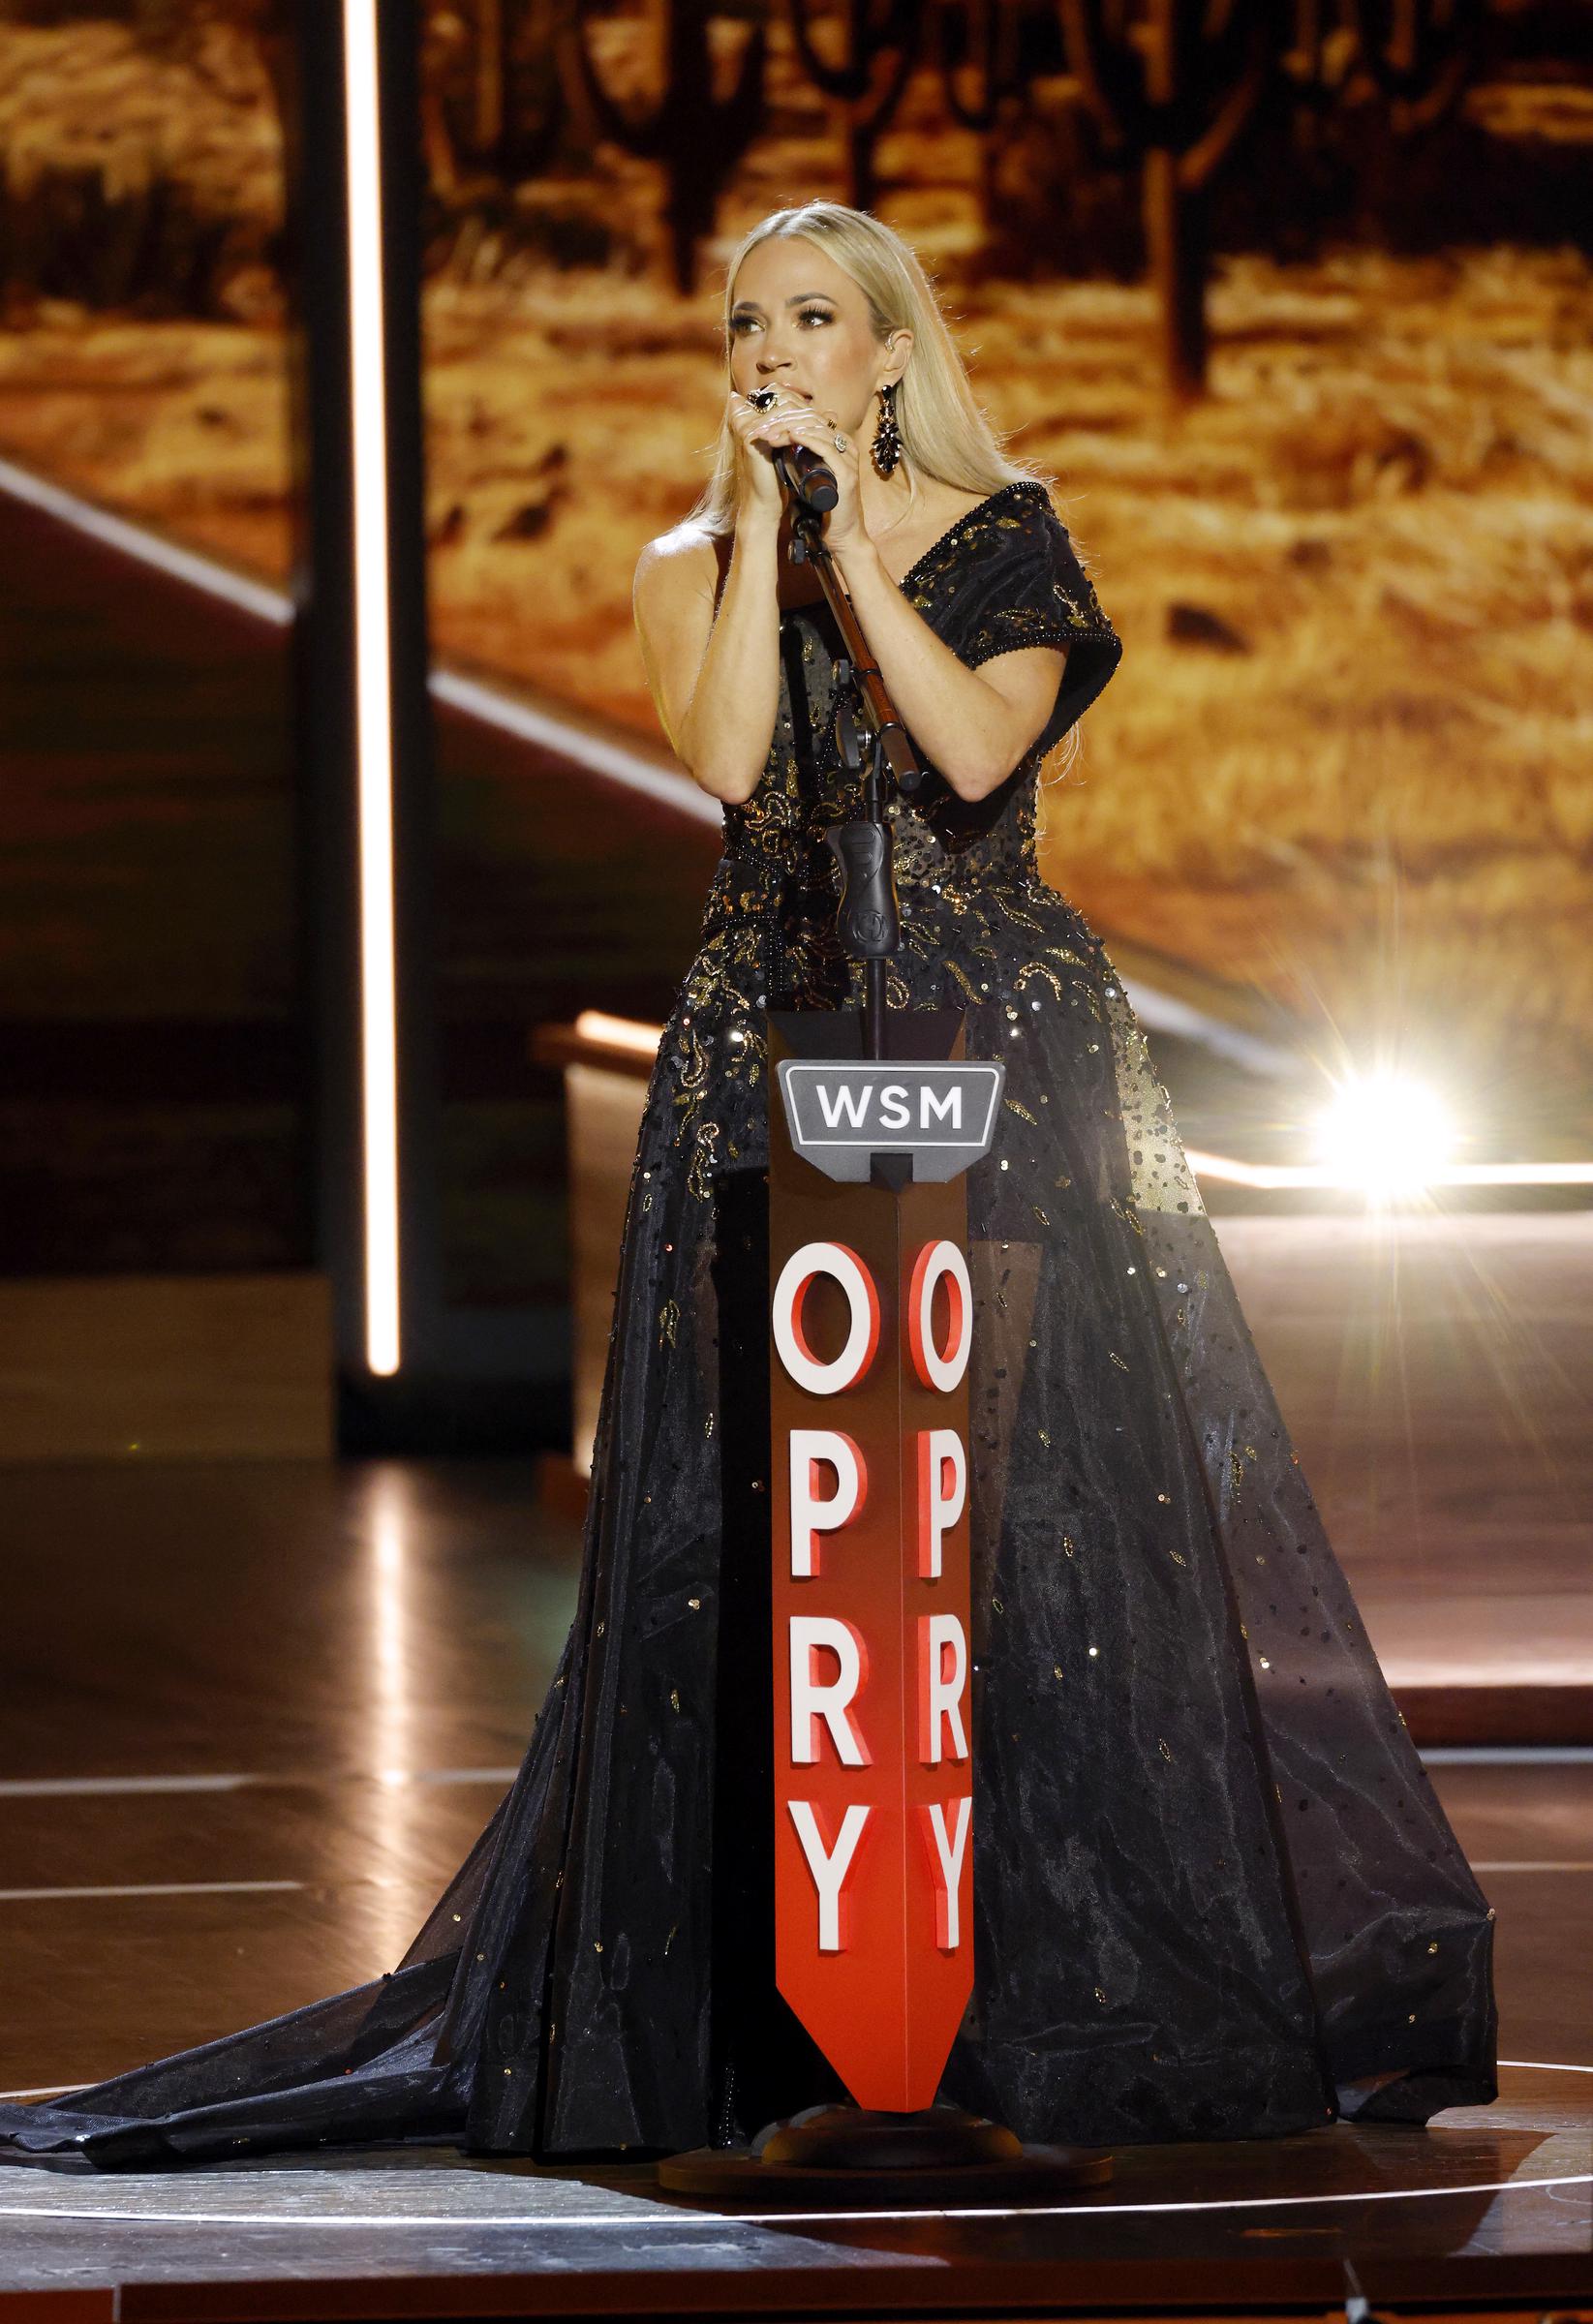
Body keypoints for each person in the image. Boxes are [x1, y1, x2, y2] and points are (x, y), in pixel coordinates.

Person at [0, 200, 1496, 2171]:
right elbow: (725, 762)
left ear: (890, 350)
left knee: (995, 1499)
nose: (776, 346)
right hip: (760, 1051)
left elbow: (969, 753)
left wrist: (858, 543)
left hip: (992, 1059)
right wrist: (753, 523)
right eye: (748, 322)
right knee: (775, 1511)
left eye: (814, 319)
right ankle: (759, 2013)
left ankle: (1027, 1996)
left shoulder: (1004, 537)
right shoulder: (686, 562)